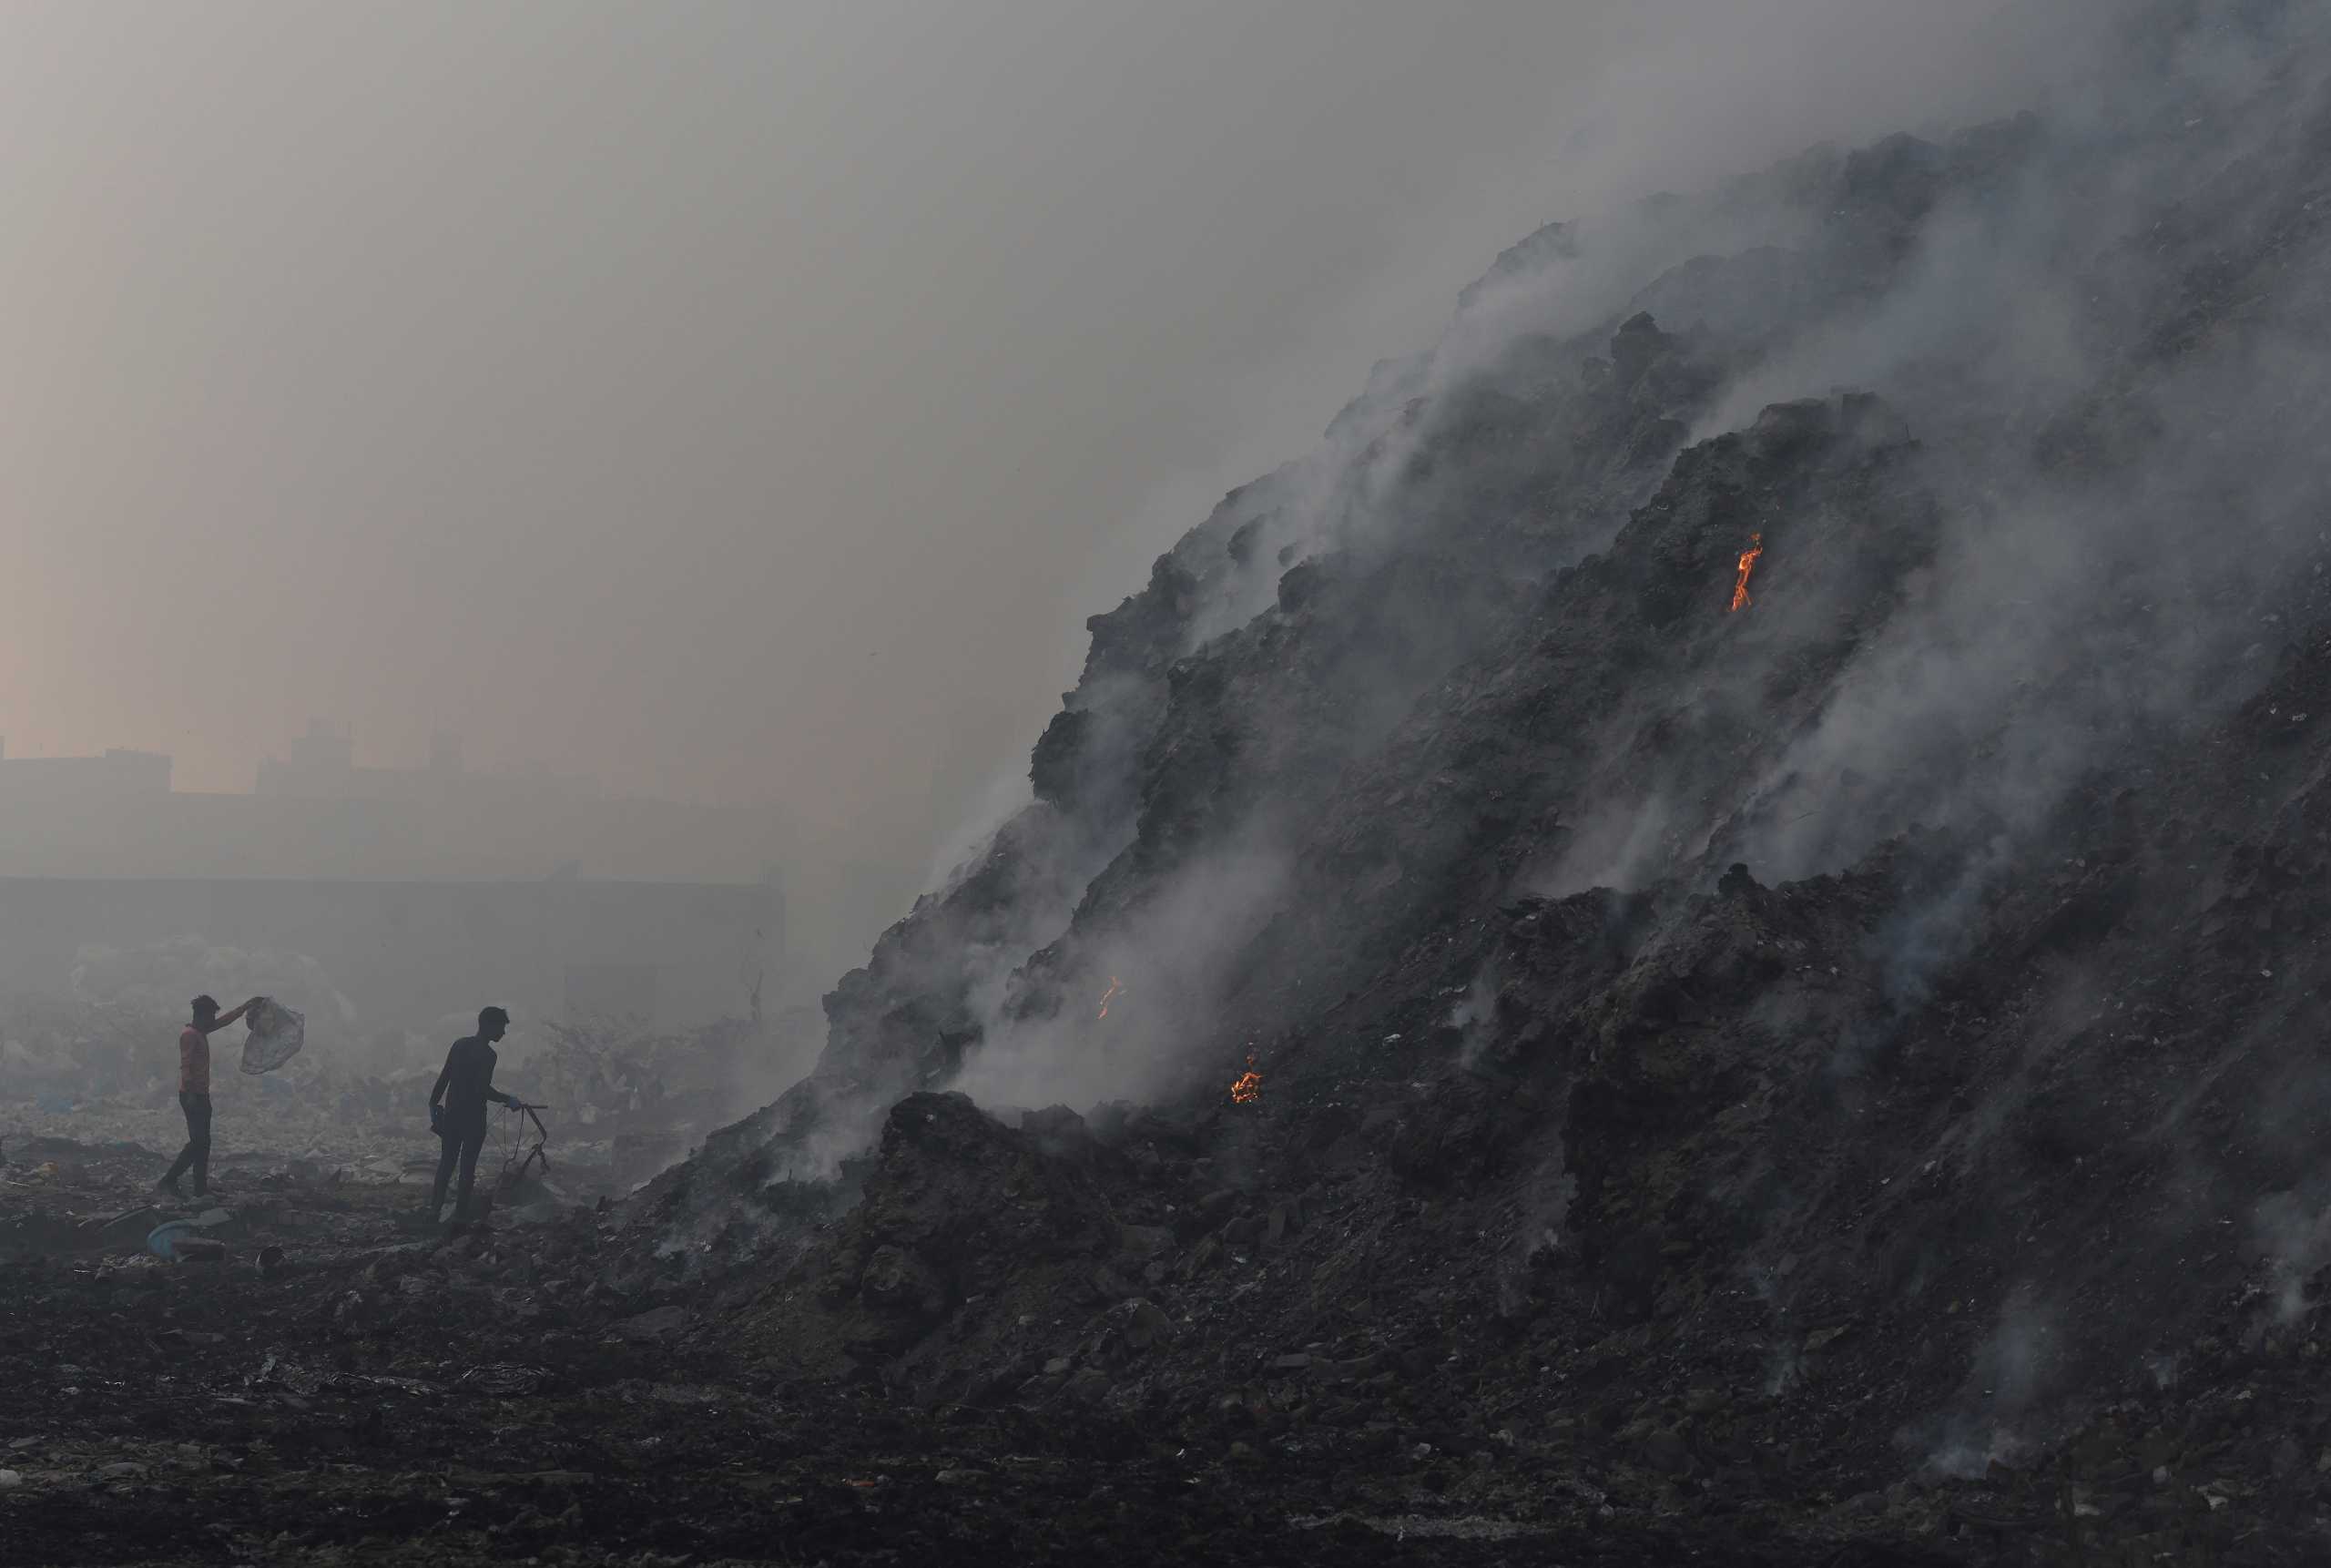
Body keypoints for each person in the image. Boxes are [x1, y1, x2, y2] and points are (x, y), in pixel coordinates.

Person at [427, 1006, 526, 1224]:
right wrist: (507, 1099)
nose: (503, 1033)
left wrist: (433, 1104)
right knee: (467, 1167)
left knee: (446, 1163)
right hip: (473, 1118)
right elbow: (481, 1089)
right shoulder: (488, 1055)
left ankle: (434, 1210)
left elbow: (444, 1077)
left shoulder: (459, 1045)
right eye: (501, 1027)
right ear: (488, 1025)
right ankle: (460, 1216)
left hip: (452, 1115)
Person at [160, 994, 259, 1199]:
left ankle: (200, 1188)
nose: (213, 1020)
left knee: (204, 1143)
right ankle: (168, 1180)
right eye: (210, 1016)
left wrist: (244, 1006)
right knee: (198, 1142)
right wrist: (189, 1095)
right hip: (192, 1095)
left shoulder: (199, 1031)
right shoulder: (189, 1035)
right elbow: (185, 1066)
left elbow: (224, 1021)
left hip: (200, 1095)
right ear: (202, 1015)